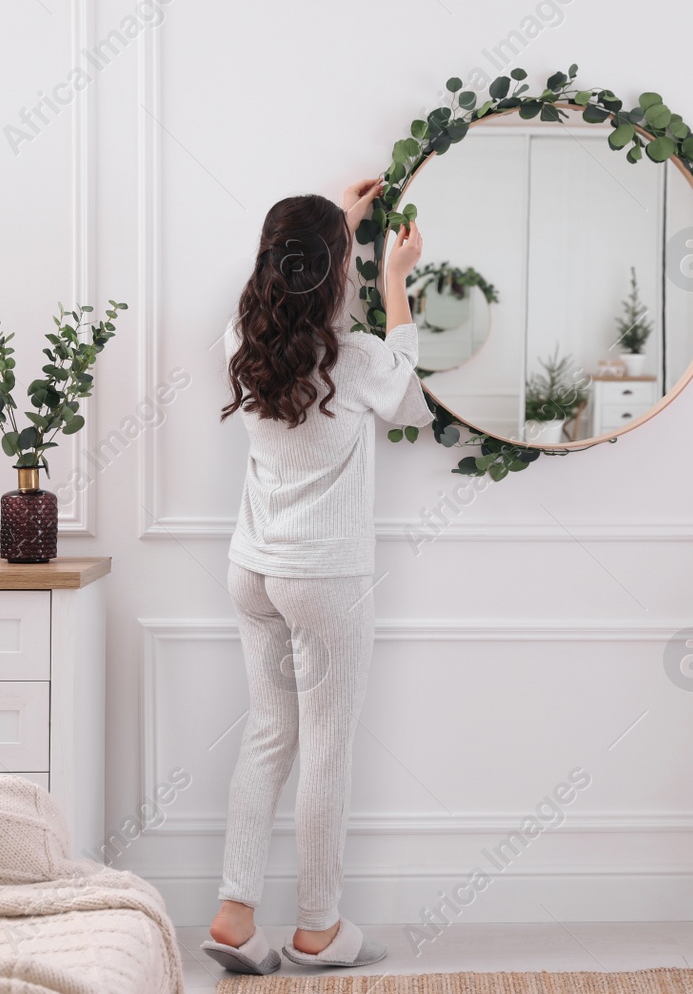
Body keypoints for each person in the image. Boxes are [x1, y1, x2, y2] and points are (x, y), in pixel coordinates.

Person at [200, 179, 432, 975]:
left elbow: (294, 278)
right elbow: (411, 400)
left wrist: (336, 223)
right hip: (323, 580)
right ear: (337, 273)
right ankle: (318, 928)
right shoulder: (358, 359)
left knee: (268, 737)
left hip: (251, 570)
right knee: (326, 750)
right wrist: (395, 280)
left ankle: (234, 913)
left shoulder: (241, 338)